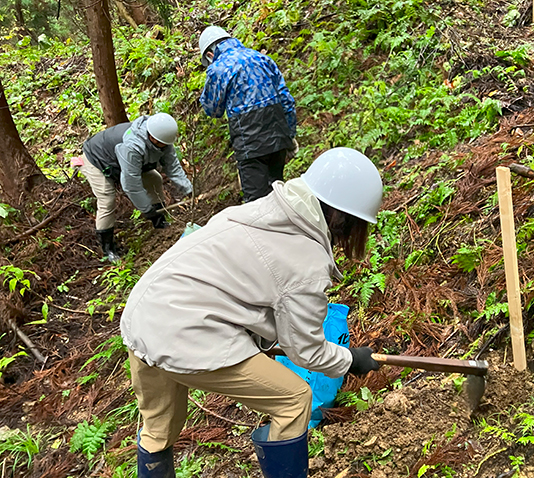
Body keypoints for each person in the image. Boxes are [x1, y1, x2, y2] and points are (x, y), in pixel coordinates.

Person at [120, 147, 383, 478]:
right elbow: (306, 351)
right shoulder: (305, 260)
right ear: (342, 219)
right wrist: (350, 360)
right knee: (294, 400)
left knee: (158, 426)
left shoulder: (262, 209)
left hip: (143, 315)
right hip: (185, 332)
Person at [198, 25, 298, 203]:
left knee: (256, 203)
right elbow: (286, 99)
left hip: (249, 138)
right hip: (278, 131)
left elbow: (212, 109)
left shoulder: (218, 69)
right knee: (277, 194)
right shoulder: (262, 58)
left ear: (209, 54)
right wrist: (289, 134)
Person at [78, 113, 193, 262]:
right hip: (96, 160)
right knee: (107, 199)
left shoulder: (163, 139)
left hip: (121, 160)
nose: (165, 147)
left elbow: (173, 167)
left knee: (154, 178)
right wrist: (146, 208)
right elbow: (131, 184)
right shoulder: (132, 146)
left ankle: (160, 223)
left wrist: (188, 189)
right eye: (161, 144)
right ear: (152, 138)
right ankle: (108, 249)